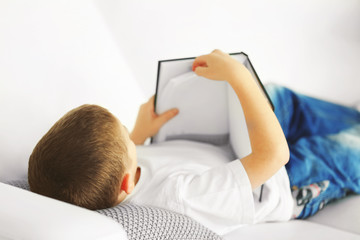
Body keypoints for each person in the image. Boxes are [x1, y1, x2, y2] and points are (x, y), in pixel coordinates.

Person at [28, 50, 360, 235]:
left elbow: (118, 162)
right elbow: (275, 155)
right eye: (128, 140)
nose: (133, 140)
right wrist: (238, 77)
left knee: (273, 95)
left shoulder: (116, 178)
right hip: (282, 180)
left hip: (237, 148)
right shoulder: (180, 198)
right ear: (126, 183)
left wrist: (140, 133)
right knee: (344, 151)